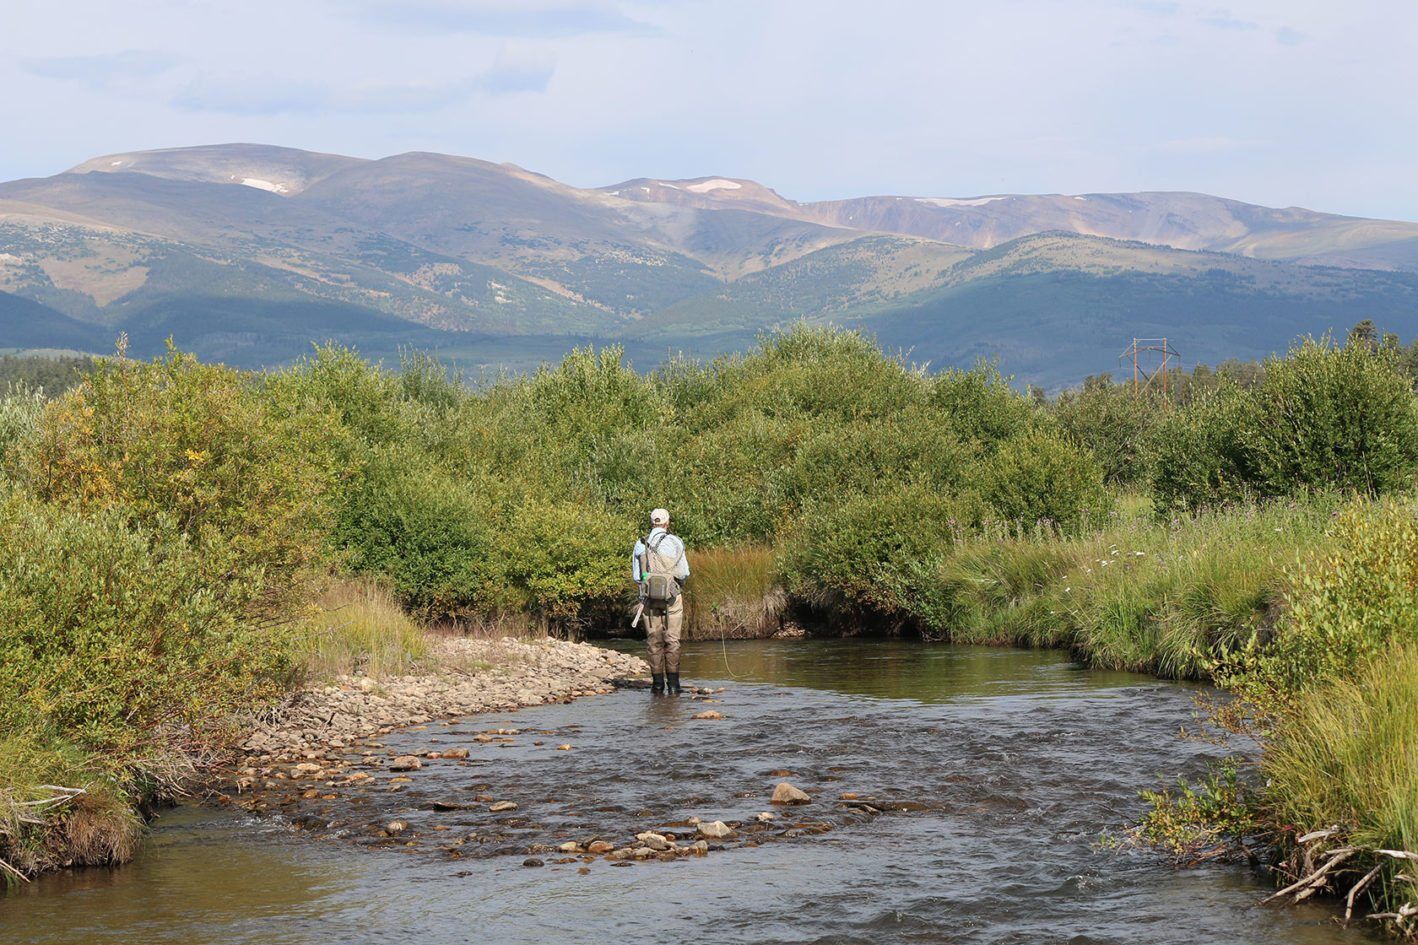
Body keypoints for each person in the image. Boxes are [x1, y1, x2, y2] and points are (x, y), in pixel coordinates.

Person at [632, 507, 691, 695]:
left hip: (649, 599)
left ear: (652, 522)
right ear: (667, 523)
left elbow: (637, 577)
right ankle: (674, 686)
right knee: (672, 640)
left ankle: (657, 686)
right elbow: (684, 573)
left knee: (654, 641)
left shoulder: (640, 544)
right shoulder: (675, 542)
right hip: (672, 597)